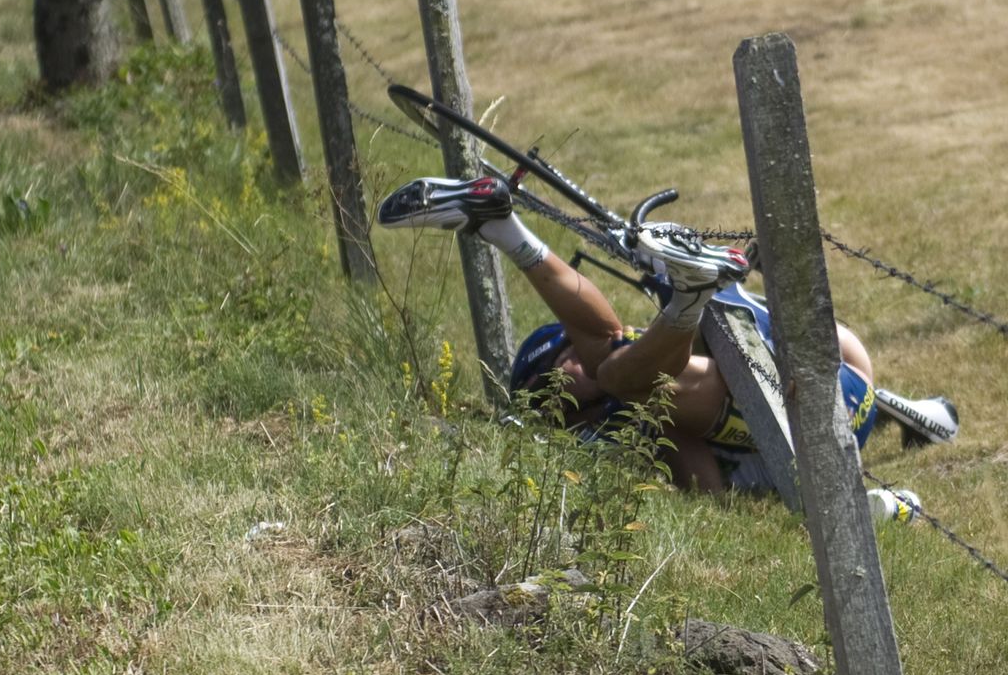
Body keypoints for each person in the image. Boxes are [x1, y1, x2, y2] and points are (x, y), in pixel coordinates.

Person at [377, 175, 959, 492]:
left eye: (565, 356)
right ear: (555, 407)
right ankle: (510, 233)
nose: (575, 366)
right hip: (825, 404)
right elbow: (702, 477)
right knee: (624, 371)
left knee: (623, 368)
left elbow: (701, 472)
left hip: (819, 383)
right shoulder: (616, 417)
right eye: (563, 369)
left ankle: (513, 232)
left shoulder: (625, 383)